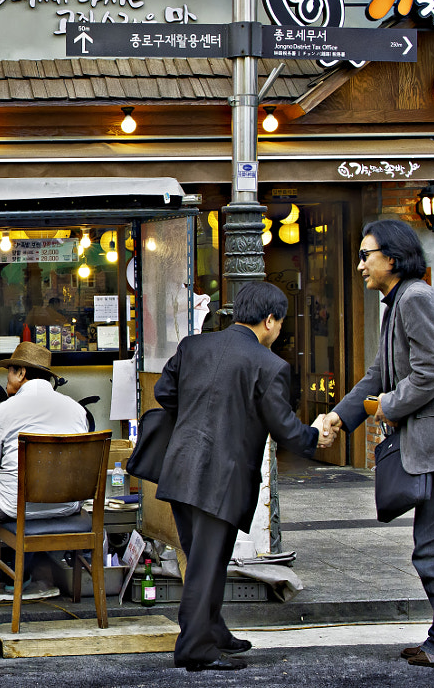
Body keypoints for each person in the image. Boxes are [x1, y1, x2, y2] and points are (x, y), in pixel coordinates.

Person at [316, 219, 434, 669]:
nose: (359, 264)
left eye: (365, 254)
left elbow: (433, 370)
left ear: (391, 258)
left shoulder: (415, 299)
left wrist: (385, 407)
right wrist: (341, 415)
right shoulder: (397, 303)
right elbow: (379, 372)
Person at [153, 282, 320, 672]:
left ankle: (212, 628)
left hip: (180, 466)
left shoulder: (193, 347)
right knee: (206, 563)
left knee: (202, 559)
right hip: (222, 476)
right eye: (279, 325)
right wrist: (317, 435)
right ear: (269, 320)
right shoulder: (270, 365)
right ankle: (194, 647)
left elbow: (165, 392)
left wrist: (196, 423)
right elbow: (285, 429)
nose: (278, 333)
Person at [0, 342, 86, 598]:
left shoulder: (3, 412)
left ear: (21, 373)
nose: (6, 378)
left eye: (9, 371)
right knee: (18, 500)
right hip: (67, 506)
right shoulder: (77, 411)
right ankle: (18, 574)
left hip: (15, 508)